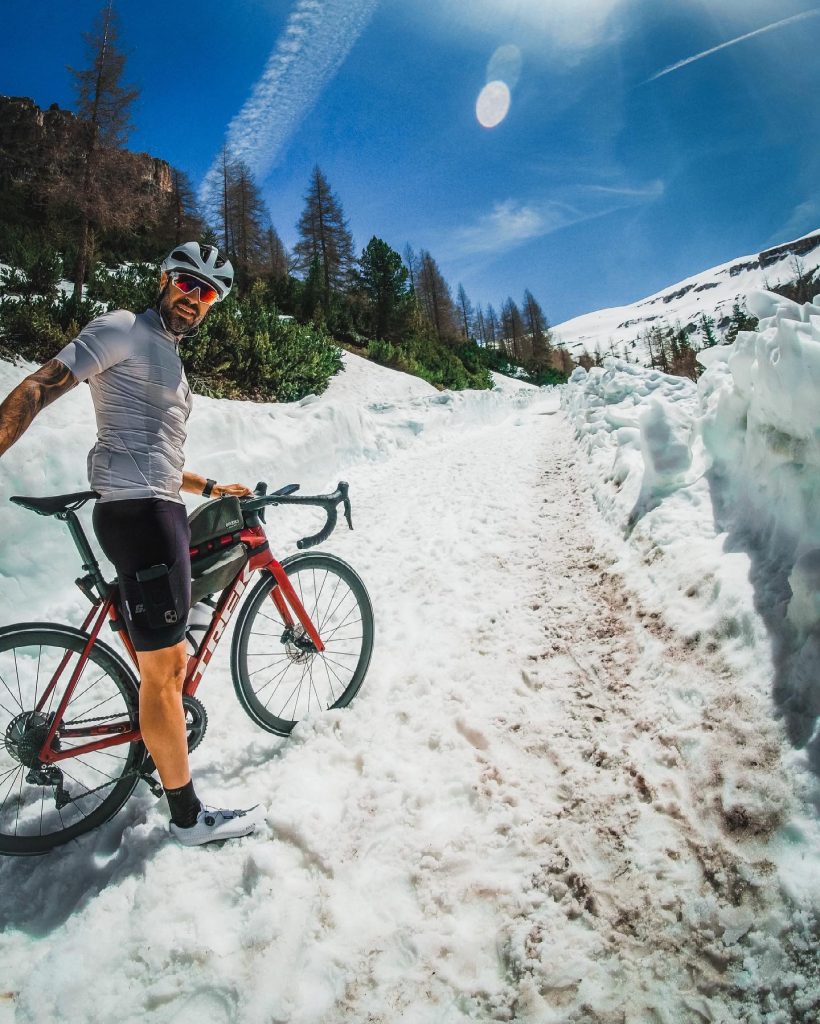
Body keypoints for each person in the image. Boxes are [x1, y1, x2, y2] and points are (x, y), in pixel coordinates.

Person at [0, 242, 257, 847]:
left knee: (161, 658)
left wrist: (210, 485)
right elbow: (40, 385)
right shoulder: (123, 328)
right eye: (187, 284)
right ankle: (190, 819)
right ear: (164, 279)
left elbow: (156, 447)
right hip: (141, 515)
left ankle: (155, 742)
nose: (194, 299)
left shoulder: (166, 356)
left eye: (208, 294)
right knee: (164, 674)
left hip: (156, 504)